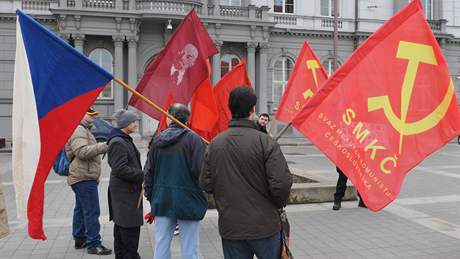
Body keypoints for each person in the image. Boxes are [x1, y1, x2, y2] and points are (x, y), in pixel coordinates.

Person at [200, 87, 293, 259]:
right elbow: (281, 185)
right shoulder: (266, 142)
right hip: (265, 225)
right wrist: (278, 204)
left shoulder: (215, 144)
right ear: (253, 110)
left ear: (230, 109)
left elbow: (206, 183)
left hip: (231, 225)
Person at [144, 103, 207, 259]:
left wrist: (151, 196)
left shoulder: (157, 139)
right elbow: (201, 171)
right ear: (187, 119)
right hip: (189, 199)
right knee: (190, 246)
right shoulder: (194, 140)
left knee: (162, 244)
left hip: (162, 198)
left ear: (168, 117)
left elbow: (148, 172)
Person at [65, 108, 112, 255]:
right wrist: (103, 146)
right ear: (81, 114)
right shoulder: (79, 129)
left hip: (81, 176)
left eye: (94, 115)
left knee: (80, 209)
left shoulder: (82, 129)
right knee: (92, 211)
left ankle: (80, 238)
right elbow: (82, 152)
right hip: (84, 176)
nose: (93, 118)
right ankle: (93, 244)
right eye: (90, 115)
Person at [107, 109, 143, 259]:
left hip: (127, 193)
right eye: (133, 121)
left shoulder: (123, 138)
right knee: (128, 231)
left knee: (123, 229)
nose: (136, 124)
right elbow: (120, 169)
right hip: (124, 195)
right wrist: (143, 175)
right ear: (125, 124)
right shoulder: (118, 142)